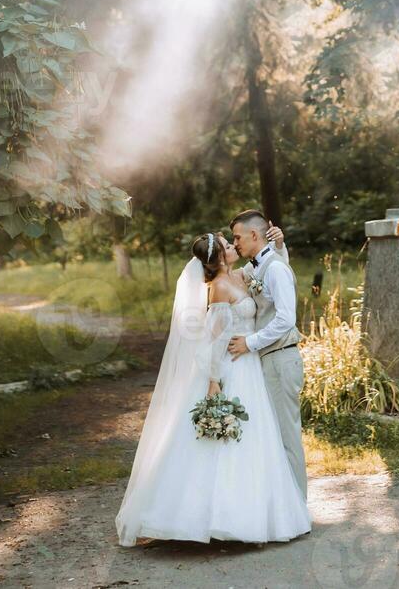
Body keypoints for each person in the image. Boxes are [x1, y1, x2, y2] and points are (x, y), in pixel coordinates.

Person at [115, 228, 311, 546]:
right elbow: (214, 339)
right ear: (220, 257)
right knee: (229, 444)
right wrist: (213, 381)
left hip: (251, 365)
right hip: (233, 366)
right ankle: (220, 518)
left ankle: (260, 514)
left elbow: (272, 270)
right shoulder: (219, 287)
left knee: (258, 440)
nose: (234, 245)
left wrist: (279, 244)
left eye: (233, 241)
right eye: (227, 245)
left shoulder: (241, 275)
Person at [228, 210, 308, 498]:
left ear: (253, 234)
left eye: (237, 237)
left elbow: (286, 319)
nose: (234, 242)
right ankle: (284, 505)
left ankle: (298, 506)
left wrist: (250, 342)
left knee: (287, 437)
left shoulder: (273, 268)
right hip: (269, 360)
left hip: (281, 358)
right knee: (274, 437)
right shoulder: (257, 267)